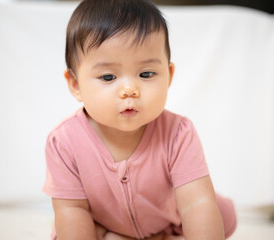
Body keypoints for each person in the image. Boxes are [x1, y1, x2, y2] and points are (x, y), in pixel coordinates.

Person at [43, 0, 237, 239]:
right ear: (75, 84)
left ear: (168, 75)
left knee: (220, 213)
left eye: (146, 74)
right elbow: (72, 211)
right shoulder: (64, 142)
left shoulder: (178, 133)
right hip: (103, 223)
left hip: (167, 219)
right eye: (108, 77)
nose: (129, 90)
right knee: (69, 228)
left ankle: (164, 235)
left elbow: (196, 202)